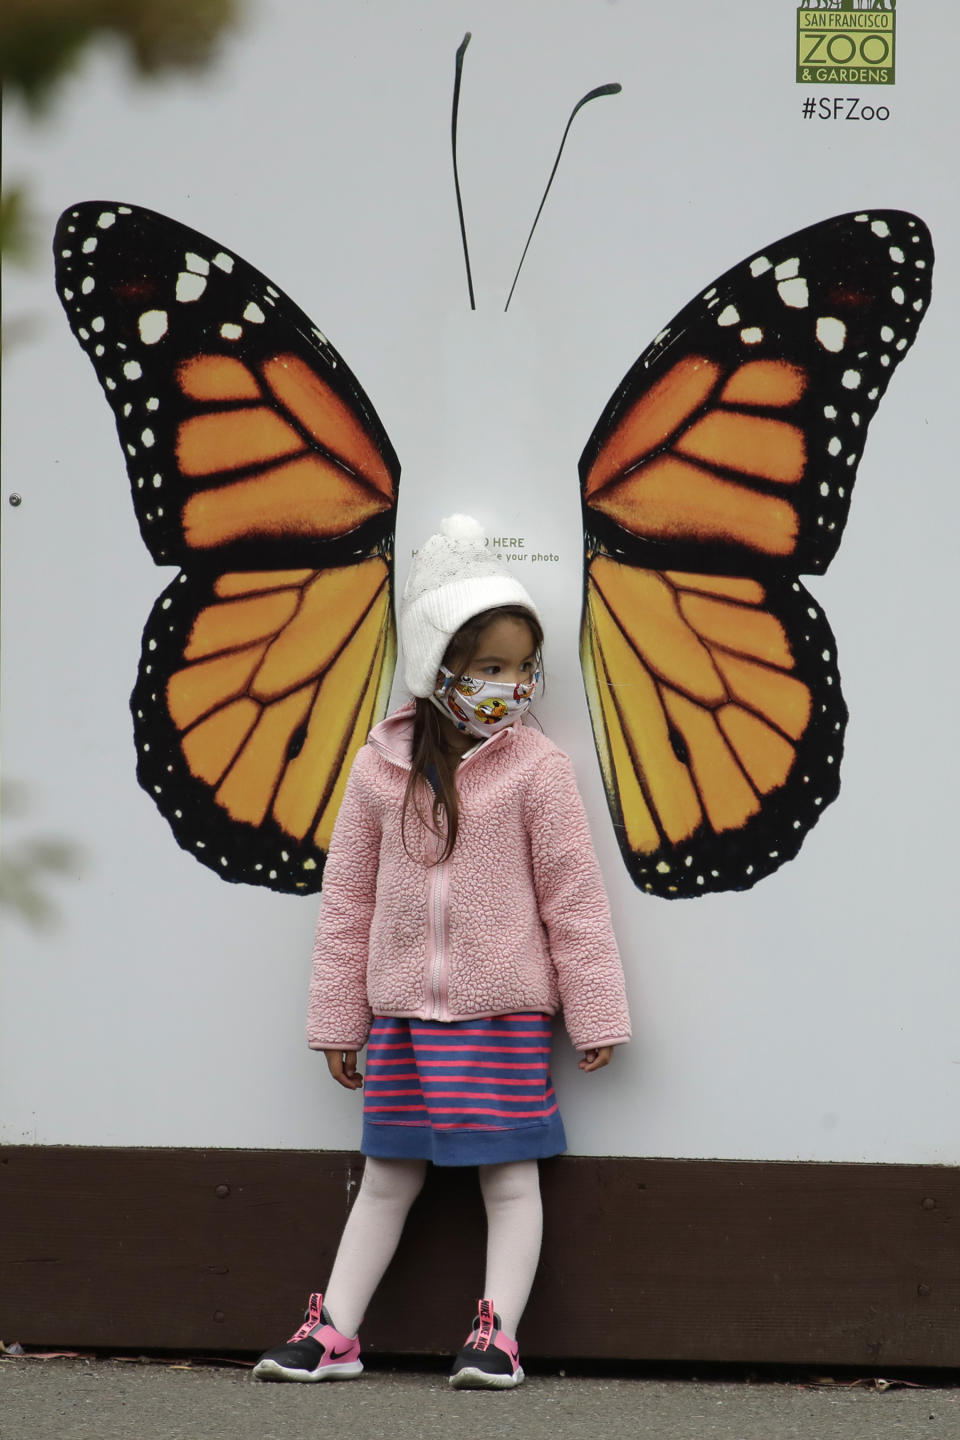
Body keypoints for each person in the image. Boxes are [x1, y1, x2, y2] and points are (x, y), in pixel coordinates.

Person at [253, 514, 631, 1390]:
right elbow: (347, 901)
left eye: (522, 669)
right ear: (437, 669)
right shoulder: (376, 771)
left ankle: (496, 1337)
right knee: (385, 1177)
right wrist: (338, 1018)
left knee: (509, 1180)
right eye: (490, 668)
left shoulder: (537, 770)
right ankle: (333, 1334)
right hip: (400, 1022)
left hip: (500, 1014)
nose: (510, 686)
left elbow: (573, 898)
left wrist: (596, 1011)